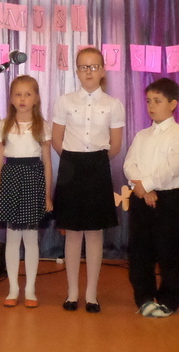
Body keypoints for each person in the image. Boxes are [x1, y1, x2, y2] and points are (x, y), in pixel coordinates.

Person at [52, 47, 125, 313]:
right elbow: (57, 140)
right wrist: (73, 162)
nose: (89, 72)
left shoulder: (113, 104)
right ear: (77, 71)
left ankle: (91, 294)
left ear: (103, 71)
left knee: (95, 234)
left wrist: (95, 162)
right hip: (71, 167)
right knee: (72, 233)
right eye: (83, 67)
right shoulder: (64, 101)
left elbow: (115, 146)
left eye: (94, 67)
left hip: (98, 167)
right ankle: (72, 293)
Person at [123, 78, 179, 317]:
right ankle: (144, 297)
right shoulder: (142, 135)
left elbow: (173, 166)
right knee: (140, 250)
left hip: (168, 199)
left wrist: (147, 185)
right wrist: (143, 189)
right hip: (141, 196)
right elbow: (129, 164)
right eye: (148, 101)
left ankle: (169, 299)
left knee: (168, 251)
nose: (151, 106)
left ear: (173, 104)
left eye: (157, 101)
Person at [0, 75, 52, 308]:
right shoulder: (4, 125)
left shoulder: (42, 126)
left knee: (31, 239)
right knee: (12, 238)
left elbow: (47, 163)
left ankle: (30, 290)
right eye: (18, 94)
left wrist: (47, 195)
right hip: (11, 181)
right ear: (11, 98)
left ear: (36, 98)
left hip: (33, 181)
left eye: (28, 94)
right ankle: (13, 289)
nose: (23, 99)